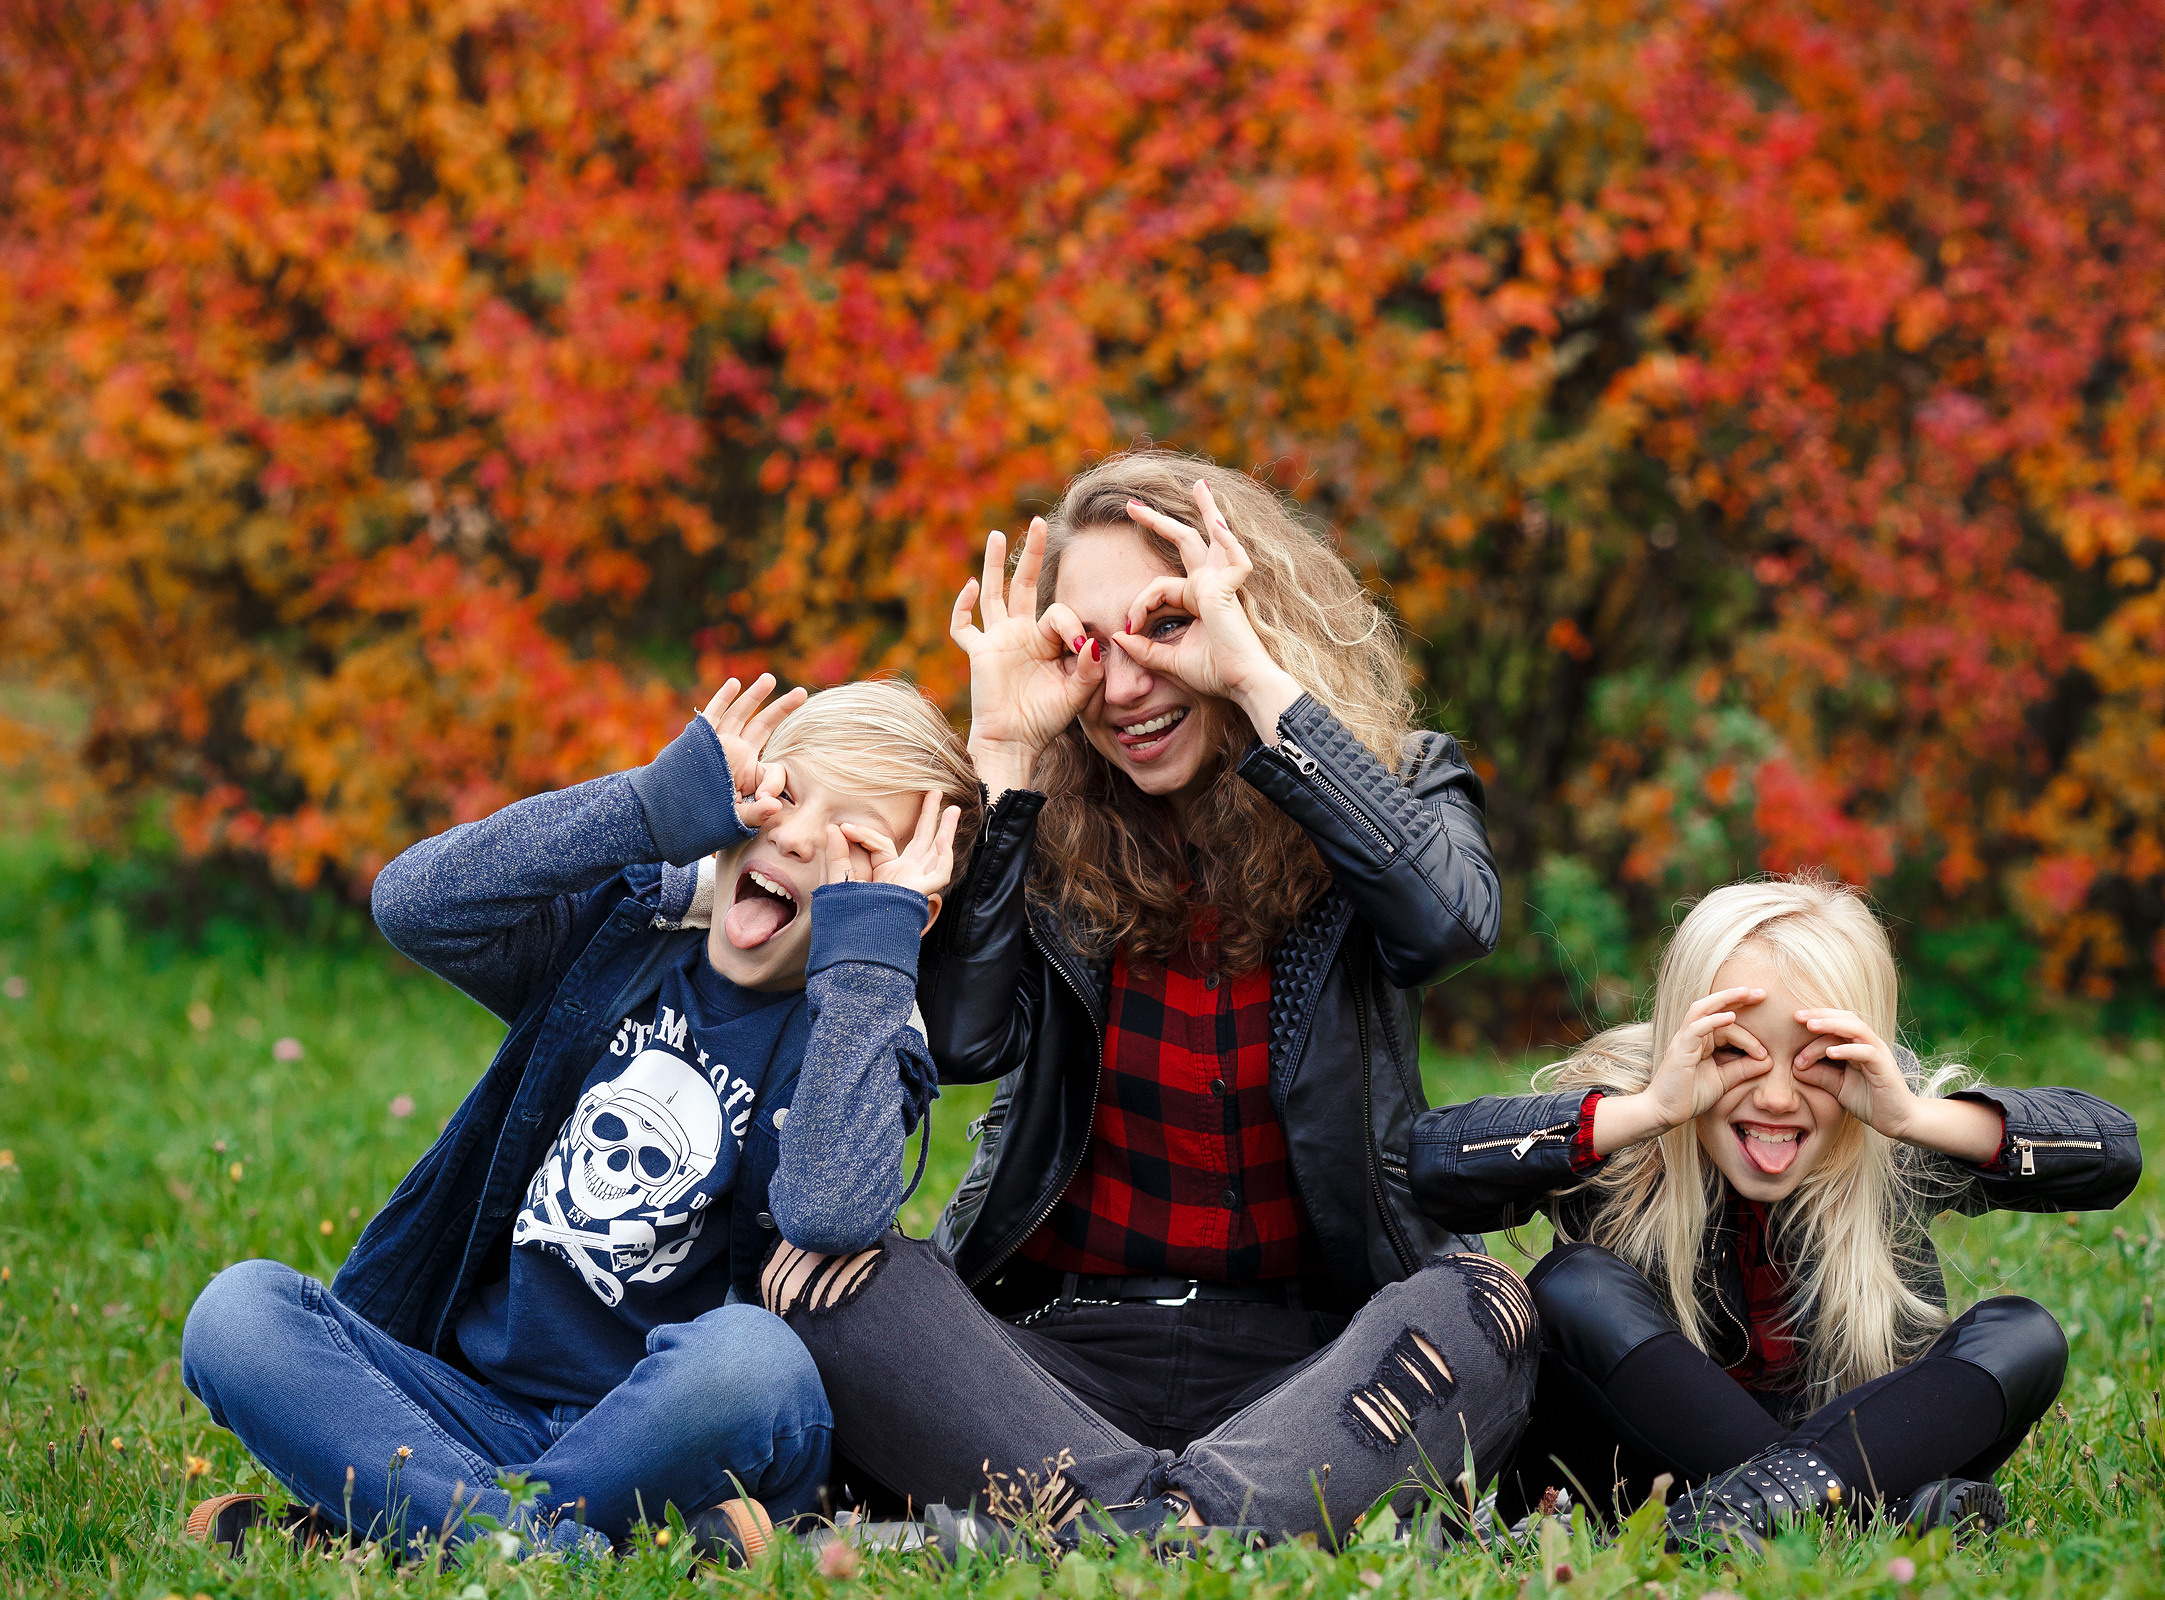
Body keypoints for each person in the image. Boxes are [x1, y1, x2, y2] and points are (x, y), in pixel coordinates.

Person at [762, 449, 1533, 1545]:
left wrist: (1261, 685)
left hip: (1312, 1370)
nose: (1122, 688)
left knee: (1484, 1302)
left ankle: (1094, 1525)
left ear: (1243, 613)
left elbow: (1445, 923)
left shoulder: (1397, 779)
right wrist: (1002, 757)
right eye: (1086, 646)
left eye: (1165, 627)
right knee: (822, 1275)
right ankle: (1195, 1526)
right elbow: (970, 1035)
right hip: (1055, 1366)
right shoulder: (1039, 809)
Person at [178, 677, 982, 1562]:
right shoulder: (626, 936)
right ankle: (519, 1541)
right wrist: (648, 806)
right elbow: (416, 905)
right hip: (466, 1405)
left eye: (848, 844)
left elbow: (829, 1212)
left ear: (900, 909)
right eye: (784, 795)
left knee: (756, 1360)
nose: (793, 836)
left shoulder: (864, 1036)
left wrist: (868, 958)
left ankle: (409, 1526)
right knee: (238, 1312)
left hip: (672, 1436)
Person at [1408, 876, 2141, 1549]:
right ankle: (1860, 1517)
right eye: (1739, 1053)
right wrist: (1651, 1109)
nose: (1779, 1098)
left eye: (1819, 1058)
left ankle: (1760, 1514)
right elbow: (1429, 1167)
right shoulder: (1633, 1114)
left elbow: (2113, 1153)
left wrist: (1915, 1116)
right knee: (1574, 1285)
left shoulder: (1883, 1132)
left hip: (1854, 1445)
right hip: (1626, 1480)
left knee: (2026, 1334)